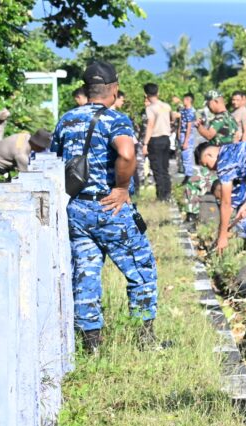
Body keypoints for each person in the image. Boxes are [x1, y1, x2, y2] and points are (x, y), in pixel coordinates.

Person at [50, 61, 159, 351]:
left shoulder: (66, 120)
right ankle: (145, 340)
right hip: (110, 207)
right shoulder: (115, 119)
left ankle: (91, 344)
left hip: (76, 209)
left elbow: (53, 160)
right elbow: (126, 153)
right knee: (142, 269)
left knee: (85, 272)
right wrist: (121, 188)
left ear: (86, 89)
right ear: (113, 88)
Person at [181, 91, 239, 225]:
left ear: (216, 101)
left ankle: (192, 217)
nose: (208, 107)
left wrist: (199, 127)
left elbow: (209, 135)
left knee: (194, 183)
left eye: (209, 103)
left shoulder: (219, 119)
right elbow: (237, 137)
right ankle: (229, 223)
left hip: (216, 161)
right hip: (229, 162)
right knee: (222, 191)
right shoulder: (231, 118)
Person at [0, 109, 51, 180]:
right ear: (37, 145)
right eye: (43, 148)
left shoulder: (25, 136)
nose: (44, 150)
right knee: (1, 185)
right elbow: (26, 178)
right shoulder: (22, 155)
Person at [141, 82, 173, 201]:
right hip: (166, 139)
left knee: (157, 168)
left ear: (146, 94)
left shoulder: (150, 108)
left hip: (155, 140)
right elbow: (172, 118)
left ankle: (161, 196)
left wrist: (145, 143)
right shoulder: (166, 106)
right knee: (165, 168)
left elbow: (150, 125)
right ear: (157, 92)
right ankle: (167, 193)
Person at [178, 92, 197, 179]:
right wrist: (178, 133)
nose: (183, 100)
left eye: (185, 99)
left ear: (189, 100)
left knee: (187, 156)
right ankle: (186, 174)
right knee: (183, 155)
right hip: (182, 134)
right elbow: (180, 122)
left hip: (187, 135)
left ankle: (188, 176)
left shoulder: (190, 111)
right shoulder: (183, 110)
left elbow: (189, 127)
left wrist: (186, 141)